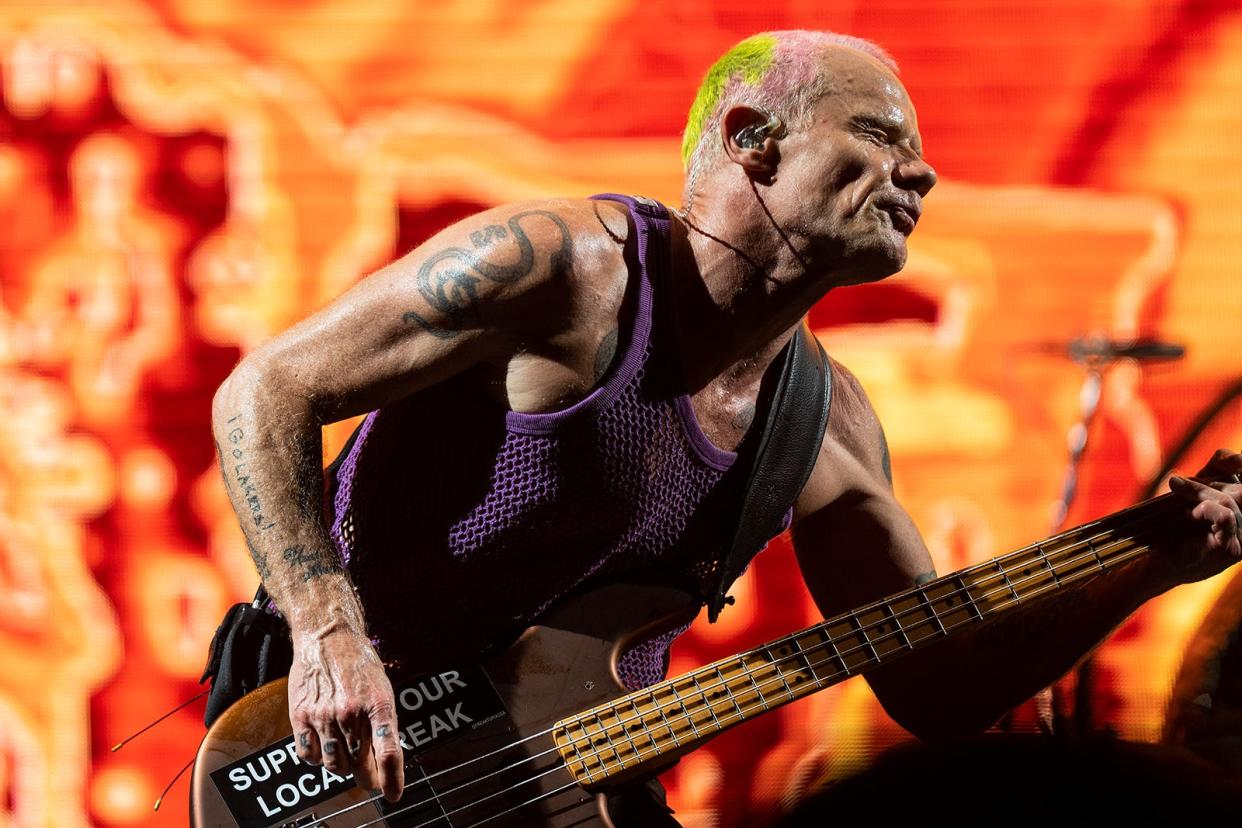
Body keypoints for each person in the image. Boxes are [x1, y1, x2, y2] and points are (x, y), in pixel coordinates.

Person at [211, 30, 1242, 819]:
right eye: (881, 136)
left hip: (569, 796)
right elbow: (263, 391)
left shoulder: (822, 422)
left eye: (919, 155)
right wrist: (328, 633)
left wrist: (1152, 558)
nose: (921, 176)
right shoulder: (563, 269)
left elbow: (937, 687)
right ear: (752, 140)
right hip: (340, 764)